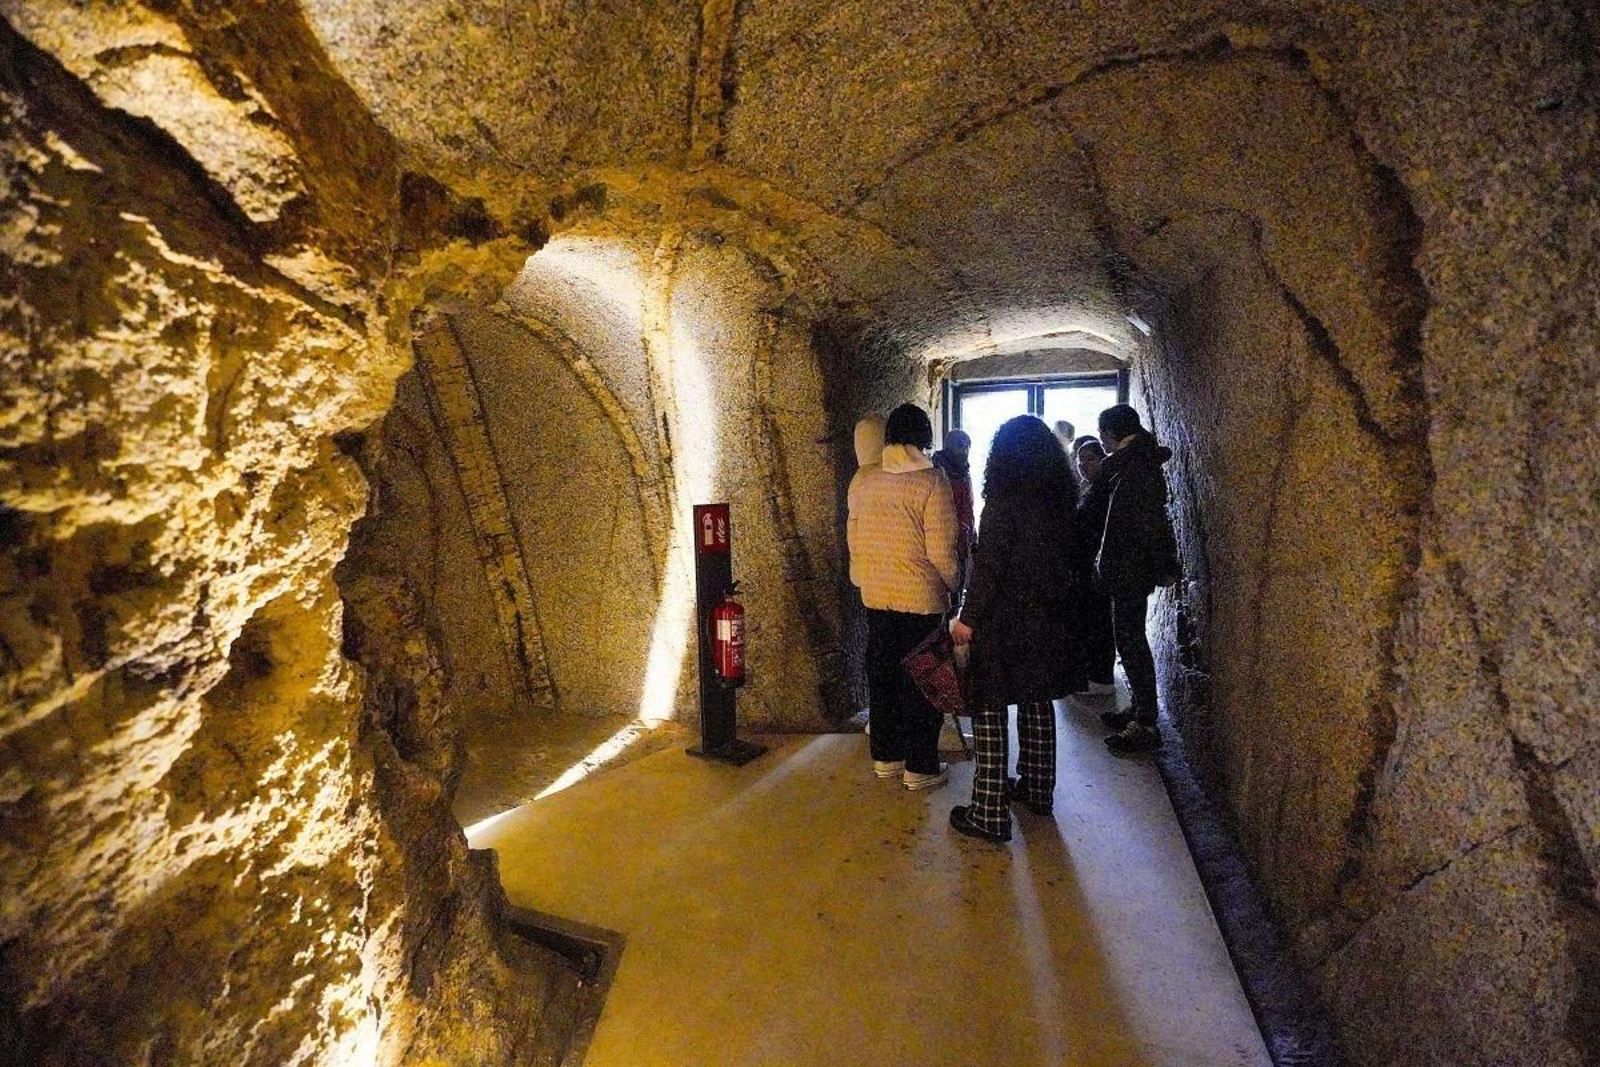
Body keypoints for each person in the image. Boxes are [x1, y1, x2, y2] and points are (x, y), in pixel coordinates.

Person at [948, 415, 1082, 842]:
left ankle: (988, 811)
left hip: (1004, 622)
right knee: (1037, 702)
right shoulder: (1061, 503)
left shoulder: (1003, 504)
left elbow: (989, 569)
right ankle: (1038, 790)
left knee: (989, 710)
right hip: (1049, 617)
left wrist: (967, 618)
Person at [846, 403, 960, 790]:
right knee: (923, 684)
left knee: (884, 679)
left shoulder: (866, 480)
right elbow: (942, 550)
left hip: (876, 596)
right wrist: (954, 583)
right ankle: (921, 767)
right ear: (925, 437)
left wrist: (864, 579)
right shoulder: (932, 481)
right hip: (921, 600)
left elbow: (855, 539)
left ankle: (886, 758)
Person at [1091, 404, 1179, 755]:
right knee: (1129, 640)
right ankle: (1141, 709)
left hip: (1130, 567)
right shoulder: (1137, 463)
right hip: (1130, 566)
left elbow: (1148, 523)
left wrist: (1163, 564)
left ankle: (1145, 723)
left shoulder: (1135, 468)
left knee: (1131, 641)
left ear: (1109, 434)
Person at [1071, 437, 1117, 696]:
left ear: (1102, 460)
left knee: (1098, 622)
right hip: (1087, 565)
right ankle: (1094, 674)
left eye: (1090, 459)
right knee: (1091, 620)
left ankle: (1100, 677)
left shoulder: (1102, 491)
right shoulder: (1089, 488)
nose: (1083, 464)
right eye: (1080, 460)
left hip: (1095, 564)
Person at [930, 428, 975, 598]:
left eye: (966, 446)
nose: (965, 450)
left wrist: (971, 535)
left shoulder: (963, 471)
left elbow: (967, 507)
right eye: (961, 445)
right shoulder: (936, 474)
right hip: (945, 543)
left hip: (962, 541)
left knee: (955, 600)